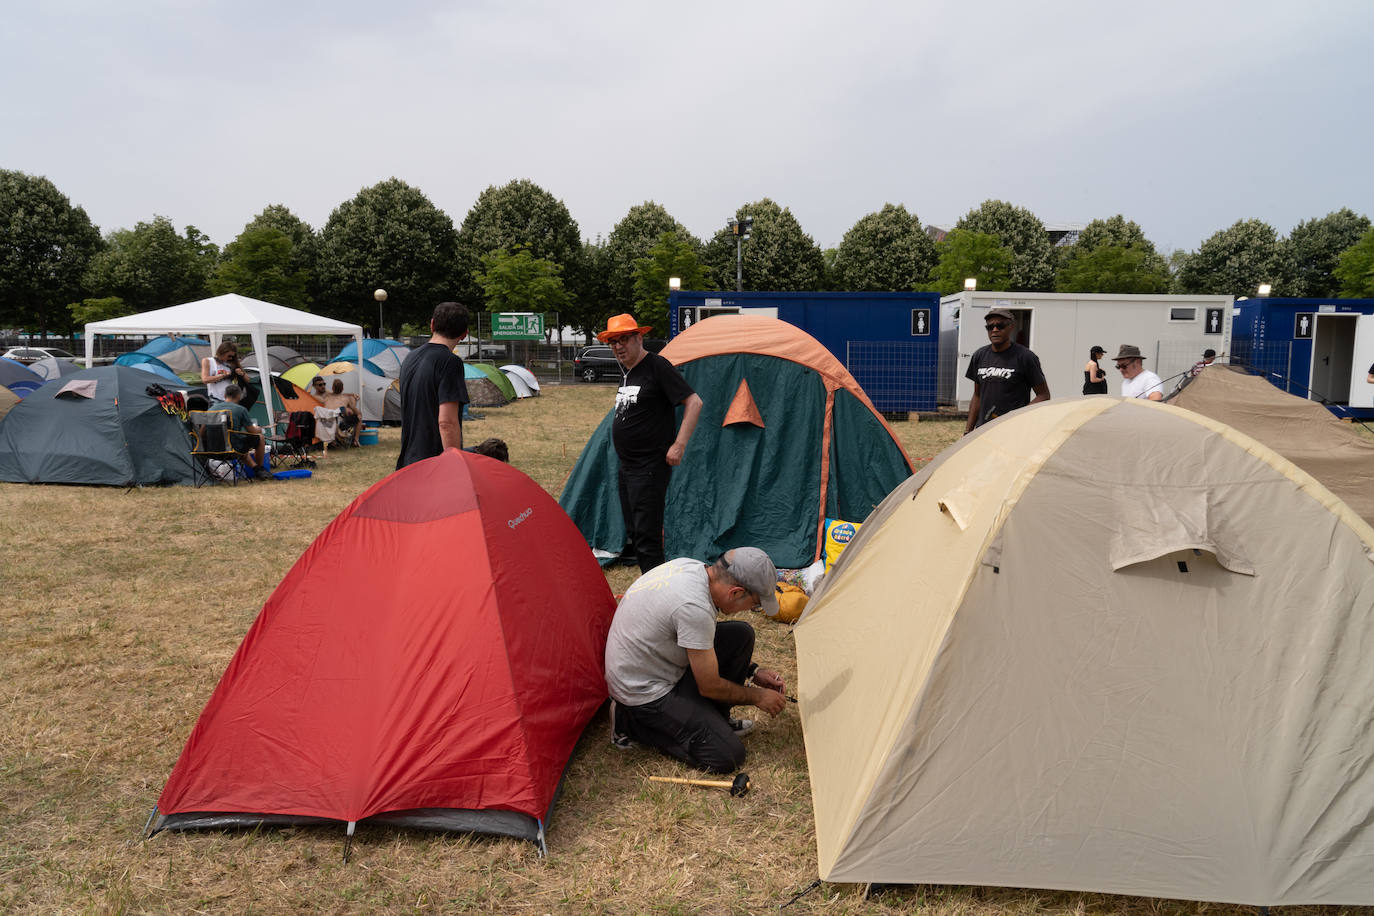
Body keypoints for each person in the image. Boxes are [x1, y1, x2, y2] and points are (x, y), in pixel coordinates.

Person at [605, 547, 788, 774]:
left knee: (741, 635)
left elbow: (697, 644)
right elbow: (709, 685)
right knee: (727, 755)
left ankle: (717, 720)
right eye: (755, 605)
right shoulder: (694, 607)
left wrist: (753, 671)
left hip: (653, 664)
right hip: (642, 693)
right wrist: (757, 697)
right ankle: (628, 722)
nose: (751, 610)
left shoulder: (692, 568)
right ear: (735, 592)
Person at [600, 313, 704, 574]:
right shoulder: (629, 373)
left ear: (639, 338)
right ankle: (650, 586)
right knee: (636, 532)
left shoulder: (657, 366)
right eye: (613, 342)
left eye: (624, 339)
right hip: (628, 467)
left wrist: (679, 445)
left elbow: (694, 402)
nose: (618, 346)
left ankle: (656, 591)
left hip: (649, 467)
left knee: (647, 537)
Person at [396, 302, 470, 469]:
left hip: (408, 461)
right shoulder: (450, 363)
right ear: (464, 334)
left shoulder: (410, 358)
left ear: (432, 325)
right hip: (434, 464)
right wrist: (454, 464)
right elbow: (446, 422)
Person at [964, 308, 1050, 433]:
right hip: (983, 430)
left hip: (1012, 431)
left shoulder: (1025, 357)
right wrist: (968, 431)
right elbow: (977, 395)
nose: (995, 330)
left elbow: (1043, 395)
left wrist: (1017, 417)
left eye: (1000, 326)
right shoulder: (979, 355)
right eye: (990, 327)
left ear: (1011, 327)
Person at [209, 384, 271, 479]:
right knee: (259, 437)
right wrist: (259, 428)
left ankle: (256, 468)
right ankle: (260, 470)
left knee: (237, 441)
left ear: (225, 395)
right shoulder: (240, 409)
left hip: (210, 449)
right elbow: (252, 432)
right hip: (231, 448)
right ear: (239, 396)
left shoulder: (211, 409)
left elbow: (202, 433)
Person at [322, 378, 362, 446]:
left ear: (332, 388)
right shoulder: (346, 398)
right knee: (359, 418)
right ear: (343, 388)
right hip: (338, 420)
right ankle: (356, 440)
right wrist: (358, 413)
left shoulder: (326, 396)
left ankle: (333, 439)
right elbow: (355, 411)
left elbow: (333, 393)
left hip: (324, 419)